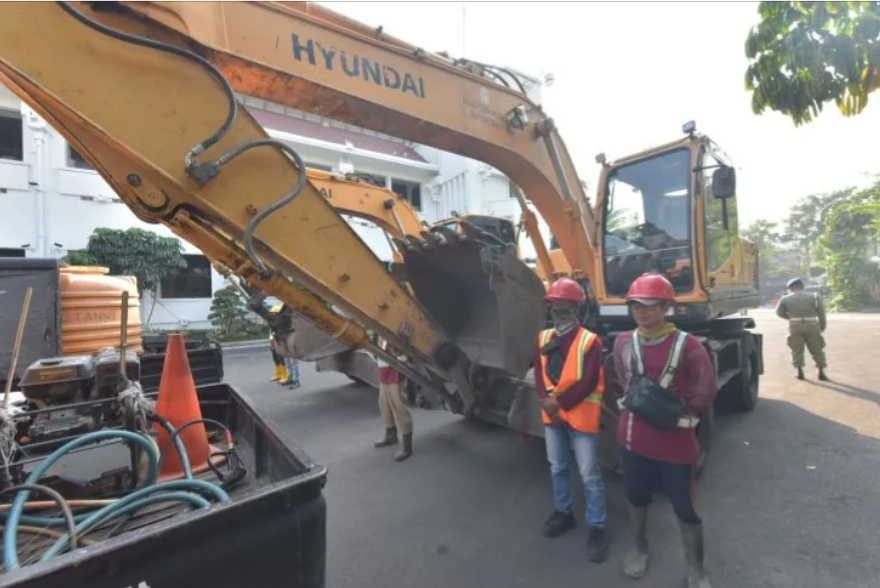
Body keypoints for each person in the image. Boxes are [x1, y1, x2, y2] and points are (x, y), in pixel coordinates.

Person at [612, 273, 717, 588]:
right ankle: (639, 546)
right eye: (635, 305)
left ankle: (695, 568)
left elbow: (705, 390)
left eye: (649, 305)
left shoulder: (689, 346)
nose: (641, 312)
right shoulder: (622, 343)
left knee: (685, 508)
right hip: (633, 439)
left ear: (665, 307)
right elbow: (624, 379)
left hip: (675, 445)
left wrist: (674, 410)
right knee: (636, 497)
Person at [534, 277, 609, 563]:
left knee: (589, 475)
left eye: (562, 303)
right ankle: (564, 513)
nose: (556, 308)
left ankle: (597, 526)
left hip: (579, 418)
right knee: (557, 468)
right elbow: (540, 374)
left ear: (576, 306)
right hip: (552, 417)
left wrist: (559, 404)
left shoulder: (590, 341)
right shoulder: (543, 338)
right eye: (552, 303)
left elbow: (589, 380)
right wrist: (547, 402)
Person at [776, 277, 827, 381]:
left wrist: (791, 318)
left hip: (795, 326)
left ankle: (799, 372)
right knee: (817, 349)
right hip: (812, 325)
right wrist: (822, 327)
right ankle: (821, 372)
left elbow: (779, 313)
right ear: (802, 286)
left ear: (790, 288)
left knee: (796, 350)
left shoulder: (785, 299)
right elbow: (821, 314)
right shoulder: (814, 297)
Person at [373, 340, 413, 462]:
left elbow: (404, 353)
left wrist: (399, 354)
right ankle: (391, 435)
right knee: (384, 405)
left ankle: (407, 446)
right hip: (384, 369)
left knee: (399, 407)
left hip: (395, 370)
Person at [269, 305, 300, 389]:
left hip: (291, 345)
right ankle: (290, 378)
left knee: (293, 363)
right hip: (284, 344)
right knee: (288, 363)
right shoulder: (278, 322)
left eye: (274, 313)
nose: (273, 315)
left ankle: (296, 381)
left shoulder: (289, 321)